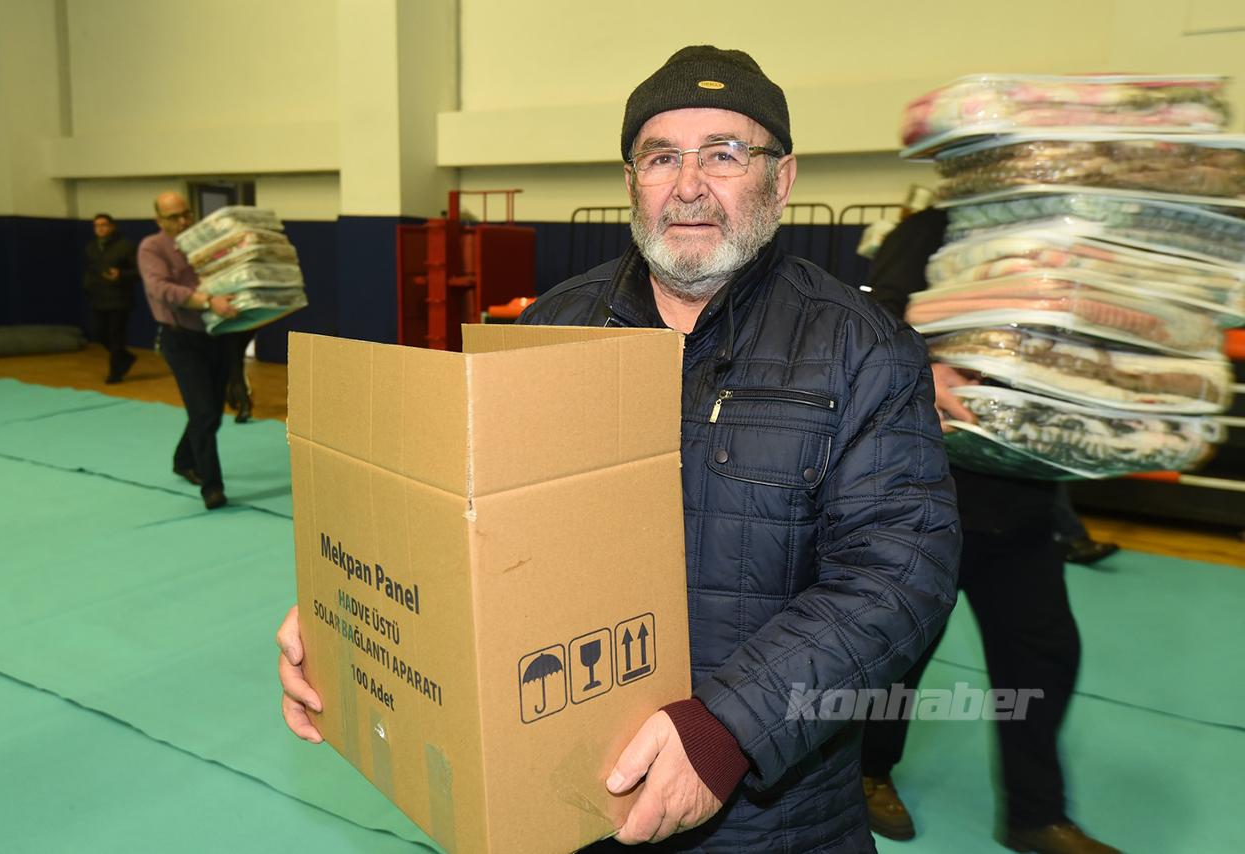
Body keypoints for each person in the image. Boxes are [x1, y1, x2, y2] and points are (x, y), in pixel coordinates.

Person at [277, 46, 961, 852]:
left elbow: (900, 572)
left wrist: (727, 730)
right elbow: (468, 523)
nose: (690, 184)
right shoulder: (553, 327)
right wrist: (352, 620)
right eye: (662, 157)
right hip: (571, 797)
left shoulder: (859, 347)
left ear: (780, 180)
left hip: (774, 818)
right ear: (632, 181)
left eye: (724, 154)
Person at [860, 206, 1119, 854]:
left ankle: (1035, 813)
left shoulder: (1058, 240)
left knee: (1043, 654)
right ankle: (866, 772)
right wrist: (924, 367)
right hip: (927, 494)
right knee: (899, 653)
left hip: (1024, 500)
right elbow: (876, 319)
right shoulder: (932, 229)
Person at [138, 191, 239, 510]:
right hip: (180, 340)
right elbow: (161, 289)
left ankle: (183, 460)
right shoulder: (151, 248)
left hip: (216, 334)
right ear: (159, 220)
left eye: (186, 214)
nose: (183, 221)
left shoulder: (202, 243)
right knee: (203, 413)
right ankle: (212, 487)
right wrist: (208, 301)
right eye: (174, 217)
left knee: (211, 412)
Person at [81, 213, 139, 383]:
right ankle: (125, 357)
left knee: (116, 337)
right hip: (98, 297)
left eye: (104, 225)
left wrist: (121, 274)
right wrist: (88, 286)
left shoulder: (126, 246)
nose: (100, 228)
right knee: (98, 334)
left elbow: (139, 272)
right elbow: (90, 270)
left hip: (120, 299)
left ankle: (115, 373)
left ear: (112, 226)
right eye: (96, 225)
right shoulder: (91, 248)